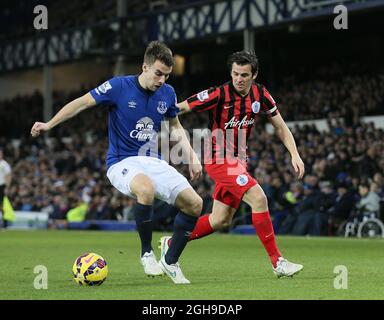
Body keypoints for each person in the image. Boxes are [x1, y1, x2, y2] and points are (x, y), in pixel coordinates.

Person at [31, 41, 203, 284]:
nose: (162, 80)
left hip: (152, 160)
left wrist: (192, 157)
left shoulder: (168, 93)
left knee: (195, 204)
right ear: (144, 66)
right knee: (146, 189)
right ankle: (146, 253)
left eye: (166, 75)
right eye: (157, 73)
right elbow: (81, 103)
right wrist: (49, 124)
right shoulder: (118, 86)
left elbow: (175, 126)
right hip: (122, 161)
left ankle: (170, 260)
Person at [160, 51, 304, 277]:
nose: (239, 78)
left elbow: (280, 126)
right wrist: (155, 109)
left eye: (244, 75)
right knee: (258, 198)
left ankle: (171, 243)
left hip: (239, 162)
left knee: (221, 219)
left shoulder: (261, 94)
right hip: (218, 157)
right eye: (235, 73)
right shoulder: (218, 94)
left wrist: (294, 154)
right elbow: (182, 107)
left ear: (254, 75)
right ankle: (278, 263)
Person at [0, 149, 12, 229]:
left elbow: (8, 176)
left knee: (3, 206)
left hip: (1, 186)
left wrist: (7, 187)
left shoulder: (4, 164)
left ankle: (5, 225)